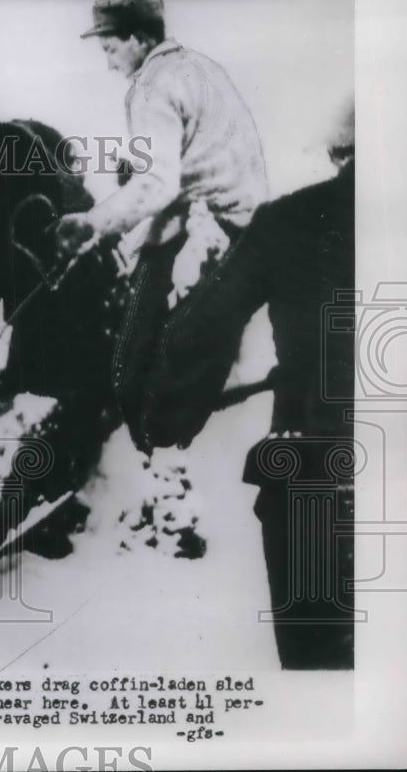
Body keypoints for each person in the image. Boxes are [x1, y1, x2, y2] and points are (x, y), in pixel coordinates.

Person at [135, 106, 356, 669]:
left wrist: (164, 420)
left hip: (316, 469)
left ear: (339, 150)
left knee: (322, 672)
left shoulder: (289, 220)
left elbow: (199, 332)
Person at [45, 0, 269, 450]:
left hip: (204, 230)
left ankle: (150, 462)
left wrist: (91, 223)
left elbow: (158, 184)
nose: (108, 64)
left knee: (131, 368)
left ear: (139, 38)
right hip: (241, 226)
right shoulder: (199, 68)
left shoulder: (153, 86)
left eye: (110, 49)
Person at [0, 91, 127, 492]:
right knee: (49, 389)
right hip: (85, 281)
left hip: (58, 299)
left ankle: (52, 498)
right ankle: (62, 488)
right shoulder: (16, 142)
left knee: (43, 393)